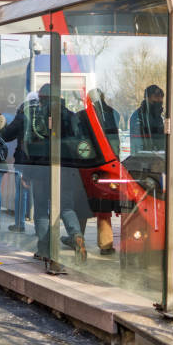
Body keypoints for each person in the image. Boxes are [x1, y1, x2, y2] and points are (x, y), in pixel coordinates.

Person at [24, 84, 87, 274]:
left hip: (42, 169)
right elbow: (80, 142)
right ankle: (76, 235)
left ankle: (45, 251)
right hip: (67, 169)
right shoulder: (71, 115)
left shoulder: (37, 117)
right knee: (66, 207)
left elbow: (30, 144)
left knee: (42, 209)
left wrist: (27, 172)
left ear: (42, 97)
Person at [75, 89, 120, 255]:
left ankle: (78, 239)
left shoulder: (81, 116)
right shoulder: (113, 114)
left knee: (82, 204)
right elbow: (115, 141)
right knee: (103, 205)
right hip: (108, 164)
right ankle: (105, 244)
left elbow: (78, 141)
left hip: (87, 164)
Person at [1, 92, 38, 232]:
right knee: (42, 194)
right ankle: (42, 229)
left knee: (21, 193)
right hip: (43, 161)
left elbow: (7, 135)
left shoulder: (23, 114)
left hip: (24, 159)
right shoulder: (46, 112)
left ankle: (20, 224)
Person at [130, 85, 165, 154]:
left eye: (161, 97)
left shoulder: (158, 117)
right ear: (147, 98)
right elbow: (137, 144)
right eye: (156, 96)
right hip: (145, 158)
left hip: (159, 157)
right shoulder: (138, 116)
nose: (159, 99)